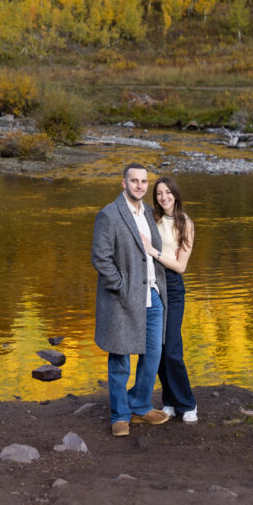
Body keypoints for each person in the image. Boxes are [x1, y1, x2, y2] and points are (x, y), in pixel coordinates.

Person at [91, 161, 170, 436]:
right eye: (134, 181)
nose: (140, 186)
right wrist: (122, 287)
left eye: (144, 182)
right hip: (123, 297)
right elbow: (100, 258)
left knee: (152, 354)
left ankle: (139, 406)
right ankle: (120, 416)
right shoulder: (109, 215)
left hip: (152, 295)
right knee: (121, 356)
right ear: (124, 183)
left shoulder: (149, 212)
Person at [140, 175, 197, 423]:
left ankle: (188, 404)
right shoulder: (151, 218)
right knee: (158, 348)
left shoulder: (185, 223)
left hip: (172, 286)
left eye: (168, 192)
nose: (164, 197)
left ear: (176, 194)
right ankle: (170, 401)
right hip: (152, 284)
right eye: (159, 193)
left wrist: (154, 252)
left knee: (172, 348)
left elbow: (181, 265)